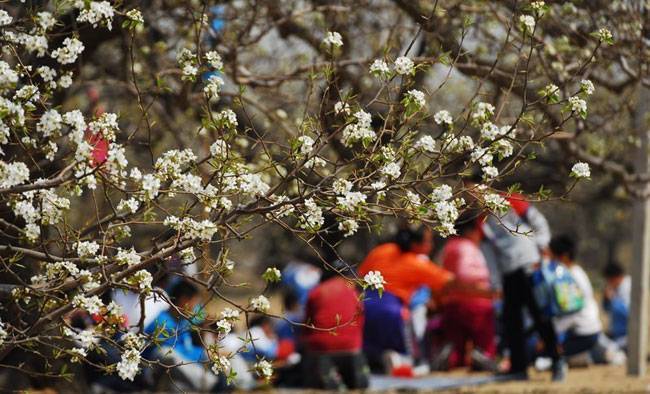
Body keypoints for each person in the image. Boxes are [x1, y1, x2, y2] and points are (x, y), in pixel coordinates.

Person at [358, 225, 490, 374]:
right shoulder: (417, 264)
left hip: (365, 307)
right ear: (415, 244)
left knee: (372, 354)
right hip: (393, 312)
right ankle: (399, 362)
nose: (432, 246)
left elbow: (361, 274)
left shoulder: (382, 250)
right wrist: (491, 293)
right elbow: (453, 282)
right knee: (404, 358)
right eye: (428, 242)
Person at [479, 192, 565, 381]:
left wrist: (540, 247)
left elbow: (539, 223)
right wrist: (496, 283)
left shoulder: (510, 200)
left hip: (530, 266)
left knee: (540, 315)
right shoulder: (479, 217)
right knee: (512, 322)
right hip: (508, 273)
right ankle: (518, 367)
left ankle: (557, 361)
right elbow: (489, 254)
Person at [439, 212, 497, 371]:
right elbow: (464, 275)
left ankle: (451, 359)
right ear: (471, 231)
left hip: (452, 304)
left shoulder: (449, 246)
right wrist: (490, 292)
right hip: (476, 305)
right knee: (484, 342)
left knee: (456, 344)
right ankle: (482, 357)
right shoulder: (468, 247)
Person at [300, 260, 368, 390]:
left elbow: (307, 324)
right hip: (351, 347)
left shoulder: (316, 291)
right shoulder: (353, 290)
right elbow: (360, 322)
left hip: (321, 348)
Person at [144, 279, 219, 391]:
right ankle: (208, 384)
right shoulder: (163, 323)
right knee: (167, 354)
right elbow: (176, 353)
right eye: (195, 302)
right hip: (153, 372)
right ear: (184, 300)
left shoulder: (181, 321)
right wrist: (204, 354)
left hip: (175, 373)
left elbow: (186, 349)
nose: (196, 307)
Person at [550, 235, 602, 361]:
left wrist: (550, 333)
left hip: (584, 332)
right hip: (591, 329)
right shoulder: (578, 272)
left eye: (553, 256)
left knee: (547, 352)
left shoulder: (568, 278)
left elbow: (572, 313)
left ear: (564, 256)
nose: (551, 260)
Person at [602, 261, 630, 348]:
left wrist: (613, 300)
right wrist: (606, 300)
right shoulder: (615, 288)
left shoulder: (628, 287)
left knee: (611, 349)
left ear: (615, 278)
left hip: (628, 334)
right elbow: (606, 309)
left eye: (609, 280)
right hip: (616, 334)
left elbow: (628, 313)